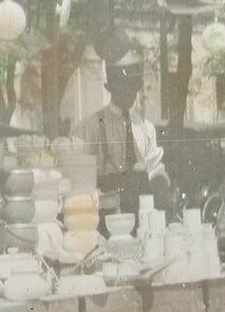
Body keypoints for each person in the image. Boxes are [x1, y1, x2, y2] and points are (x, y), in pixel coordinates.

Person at [71, 30, 179, 218]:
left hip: (141, 214)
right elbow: (77, 180)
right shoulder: (89, 128)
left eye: (133, 86)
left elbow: (154, 168)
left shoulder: (146, 128)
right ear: (109, 87)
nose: (128, 92)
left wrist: (161, 181)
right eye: (122, 85)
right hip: (105, 216)